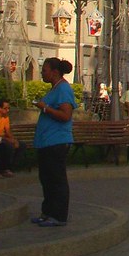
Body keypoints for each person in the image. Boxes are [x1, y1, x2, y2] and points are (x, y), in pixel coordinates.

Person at [33, 57, 77, 227]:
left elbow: (66, 115)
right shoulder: (54, 89)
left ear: (55, 72)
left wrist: (45, 108)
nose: (42, 73)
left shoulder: (64, 89)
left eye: (44, 70)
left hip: (56, 141)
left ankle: (58, 215)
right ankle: (47, 212)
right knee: (46, 178)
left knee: (56, 179)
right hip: (46, 142)